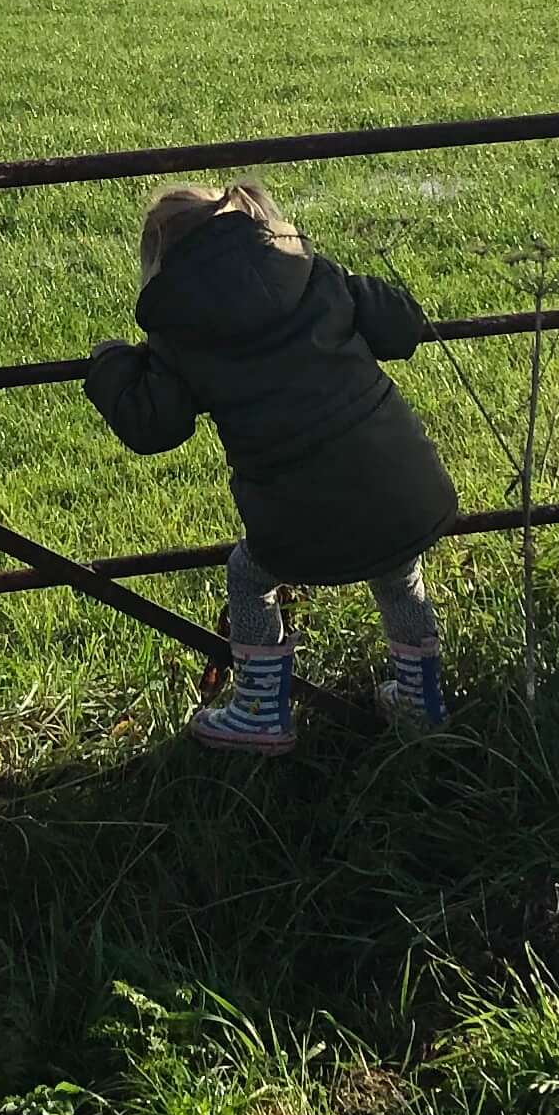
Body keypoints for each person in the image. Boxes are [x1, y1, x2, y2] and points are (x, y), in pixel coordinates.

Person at [83, 181, 460, 752]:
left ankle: (260, 709)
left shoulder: (181, 327)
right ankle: (421, 700)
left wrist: (110, 362)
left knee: (250, 573)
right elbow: (403, 328)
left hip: (298, 514)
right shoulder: (314, 274)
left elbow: (153, 425)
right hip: (403, 484)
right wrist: (360, 288)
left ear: (161, 257)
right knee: (397, 570)